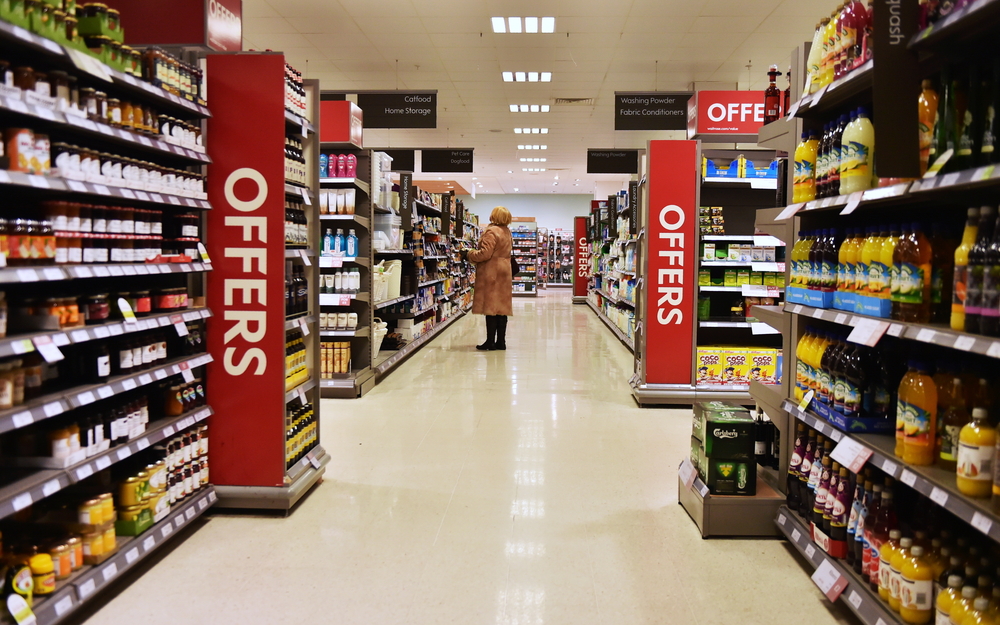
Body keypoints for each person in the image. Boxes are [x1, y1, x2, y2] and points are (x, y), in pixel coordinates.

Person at [461, 206, 514, 350]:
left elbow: (485, 254)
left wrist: (469, 254)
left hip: (492, 272)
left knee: (491, 308)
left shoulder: (492, 232)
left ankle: (490, 341)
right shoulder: (507, 232)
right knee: (502, 308)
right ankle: (501, 342)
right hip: (504, 271)